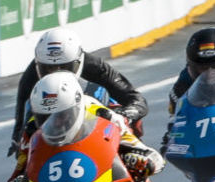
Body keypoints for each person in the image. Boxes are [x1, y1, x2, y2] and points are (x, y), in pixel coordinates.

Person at [7, 71, 170, 182]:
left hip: (98, 157)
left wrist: (145, 157)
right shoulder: (31, 127)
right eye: (45, 118)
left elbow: (130, 139)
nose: (56, 123)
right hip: (59, 169)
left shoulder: (98, 111)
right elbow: (23, 160)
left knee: (136, 167)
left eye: (61, 115)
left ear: (76, 106)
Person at [10, 27, 149, 151]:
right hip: (52, 124)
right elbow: (21, 118)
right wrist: (19, 140)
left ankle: (137, 159)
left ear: (79, 61)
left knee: (132, 124)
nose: (57, 73)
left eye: (64, 67)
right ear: (38, 64)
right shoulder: (30, 75)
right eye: (48, 68)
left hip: (94, 118)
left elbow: (135, 99)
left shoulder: (95, 66)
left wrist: (125, 115)